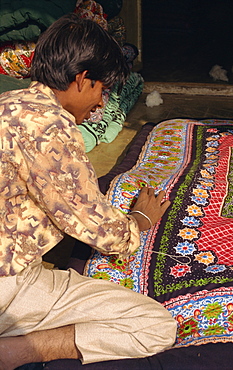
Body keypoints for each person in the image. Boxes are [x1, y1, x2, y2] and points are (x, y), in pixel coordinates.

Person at [0, 14, 176, 369]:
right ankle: (16, 352)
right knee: (155, 325)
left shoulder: (8, 105)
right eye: (101, 90)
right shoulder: (50, 129)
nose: (100, 104)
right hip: (8, 287)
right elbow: (97, 228)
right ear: (81, 79)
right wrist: (138, 221)